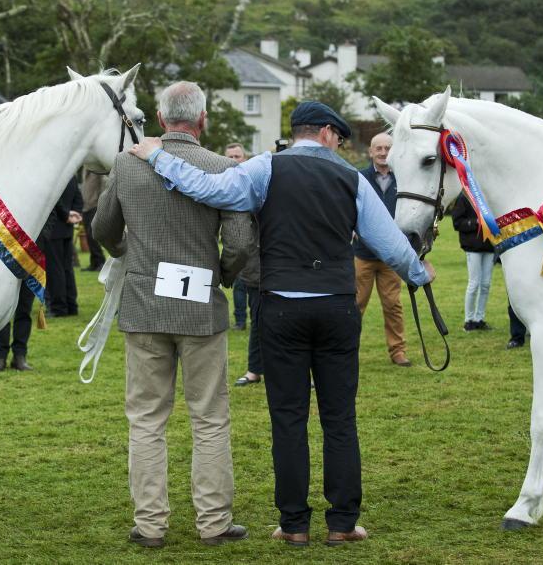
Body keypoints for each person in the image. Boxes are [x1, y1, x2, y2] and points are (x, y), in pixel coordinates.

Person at [128, 101, 434, 547]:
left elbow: (207, 188)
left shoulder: (263, 168)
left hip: (281, 305)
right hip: (334, 304)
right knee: (339, 418)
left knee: (287, 418)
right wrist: (420, 276)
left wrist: (156, 155)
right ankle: (343, 521)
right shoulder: (352, 178)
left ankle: (293, 524)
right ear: (329, 133)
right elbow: (389, 242)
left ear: (299, 132)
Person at [92, 81, 252, 548]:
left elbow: (104, 228)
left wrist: (129, 253)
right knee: (210, 418)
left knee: (146, 419)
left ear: (162, 120)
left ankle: (150, 524)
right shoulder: (223, 167)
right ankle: (214, 522)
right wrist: (222, 272)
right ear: (203, 120)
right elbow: (241, 243)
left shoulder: (126, 164)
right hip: (201, 308)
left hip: (144, 305)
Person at [353, 133, 411, 367]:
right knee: (355, 305)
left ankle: (398, 351)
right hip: (363, 254)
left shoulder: (403, 179)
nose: (383, 152)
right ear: (370, 151)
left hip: (390, 256)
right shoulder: (359, 178)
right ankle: (348, 350)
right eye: (379, 148)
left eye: (387, 148)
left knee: (393, 305)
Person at [451, 193, 494, 331]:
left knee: (486, 284)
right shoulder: (464, 197)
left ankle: (479, 318)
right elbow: (457, 223)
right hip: (472, 247)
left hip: (489, 246)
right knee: (474, 283)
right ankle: (468, 320)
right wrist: (475, 222)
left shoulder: (488, 196)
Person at [43, 178, 83, 317]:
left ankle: (58, 307)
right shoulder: (71, 175)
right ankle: (71, 305)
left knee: (55, 270)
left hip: (54, 226)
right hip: (67, 226)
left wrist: (65, 215)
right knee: (67, 268)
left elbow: (53, 198)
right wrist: (76, 213)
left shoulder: (54, 174)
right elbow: (78, 196)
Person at [233, 222, 264, 386]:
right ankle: (254, 370)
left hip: (288, 270)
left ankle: (299, 372)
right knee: (258, 321)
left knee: (293, 325)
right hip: (257, 272)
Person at [225, 143, 249, 330]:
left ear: (244, 158)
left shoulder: (252, 178)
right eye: (230, 157)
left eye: (237, 156)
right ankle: (240, 321)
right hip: (235, 238)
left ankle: (257, 319)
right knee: (239, 283)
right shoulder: (220, 179)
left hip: (257, 241)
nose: (233, 160)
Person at [0, 282, 36, 371]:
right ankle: (0, 356)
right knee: (2, 313)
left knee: (24, 311)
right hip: (5, 270)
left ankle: (19, 356)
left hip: (29, 270)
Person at [80, 167, 106, 271]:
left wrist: (100, 203)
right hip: (86, 207)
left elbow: (104, 184)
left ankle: (100, 262)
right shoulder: (86, 169)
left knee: (92, 235)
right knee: (88, 236)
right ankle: (94, 263)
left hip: (94, 206)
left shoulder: (97, 169)